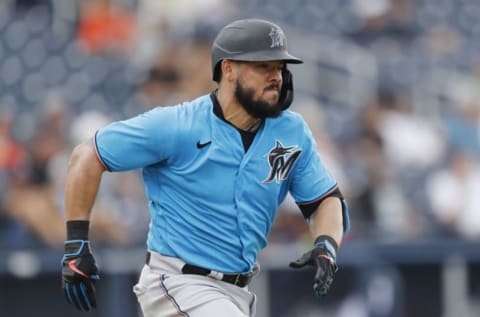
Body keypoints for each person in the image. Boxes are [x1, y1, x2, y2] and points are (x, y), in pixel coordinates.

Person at [61, 18, 350, 316]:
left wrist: (326, 243)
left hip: (237, 292)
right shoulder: (178, 125)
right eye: (262, 66)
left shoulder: (292, 131)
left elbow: (325, 200)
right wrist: (76, 243)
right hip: (177, 282)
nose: (275, 76)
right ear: (228, 69)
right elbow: (86, 156)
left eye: (278, 67)